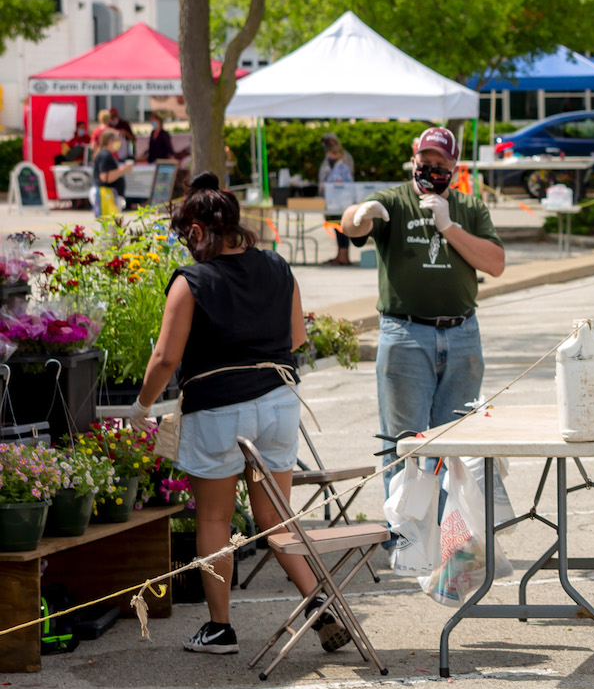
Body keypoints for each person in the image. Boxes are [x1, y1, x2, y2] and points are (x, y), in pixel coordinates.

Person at [130, 176, 349, 657]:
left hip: (218, 406)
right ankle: (319, 601)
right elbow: (296, 339)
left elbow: (165, 358)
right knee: (276, 517)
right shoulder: (277, 266)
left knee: (214, 516)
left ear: (199, 230)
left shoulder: (192, 281)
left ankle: (220, 628)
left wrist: (141, 407)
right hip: (277, 401)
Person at [340, 127, 507, 494]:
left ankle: (451, 542)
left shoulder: (470, 207)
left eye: (440, 163)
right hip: (405, 333)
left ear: (454, 165)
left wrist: (448, 226)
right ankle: (406, 542)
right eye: (425, 161)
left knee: (456, 445)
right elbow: (353, 223)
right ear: (413, 157)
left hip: (462, 334)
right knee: (403, 445)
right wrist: (360, 214)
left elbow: (495, 264)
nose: (431, 168)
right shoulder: (395, 200)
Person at [317, 134, 357, 266]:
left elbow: (346, 180)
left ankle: (343, 257)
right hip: (331, 201)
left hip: (341, 201)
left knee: (342, 228)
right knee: (337, 228)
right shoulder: (328, 159)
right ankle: (340, 255)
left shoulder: (344, 160)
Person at [90, 130, 128, 212]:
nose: (119, 143)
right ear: (110, 141)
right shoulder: (105, 155)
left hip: (109, 195)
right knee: (110, 223)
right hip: (106, 196)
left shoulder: (106, 154)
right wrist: (124, 169)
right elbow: (104, 177)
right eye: (117, 140)